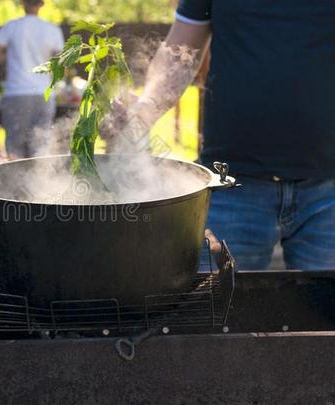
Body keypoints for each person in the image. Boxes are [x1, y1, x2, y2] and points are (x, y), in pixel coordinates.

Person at [117, 0, 335, 270]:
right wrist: (144, 110)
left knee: (323, 312)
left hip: (329, 193)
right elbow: (181, 51)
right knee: (217, 310)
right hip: (230, 186)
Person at [0, 0, 64, 159]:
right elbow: (62, 63)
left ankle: (14, 183)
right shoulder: (52, 30)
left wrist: (9, 55)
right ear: (41, 4)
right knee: (41, 148)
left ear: (22, 3)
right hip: (44, 95)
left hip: (17, 95)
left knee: (15, 148)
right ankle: (40, 183)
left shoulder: (11, 27)